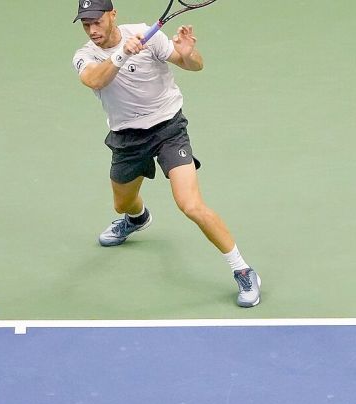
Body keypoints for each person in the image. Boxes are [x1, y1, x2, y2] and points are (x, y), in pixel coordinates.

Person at [71, 0, 261, 307]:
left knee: (191, 205)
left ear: (112, 15)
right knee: (122, 203)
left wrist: (187, 54)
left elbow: (194, 65)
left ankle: (242, 269)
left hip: (168, 129)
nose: (93, 30)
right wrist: (122, 54)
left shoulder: (148, 36)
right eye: (86, 25)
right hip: (126, 138)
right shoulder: (85, 55)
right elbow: (94, 80)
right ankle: (136, 219)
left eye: (97, 22)